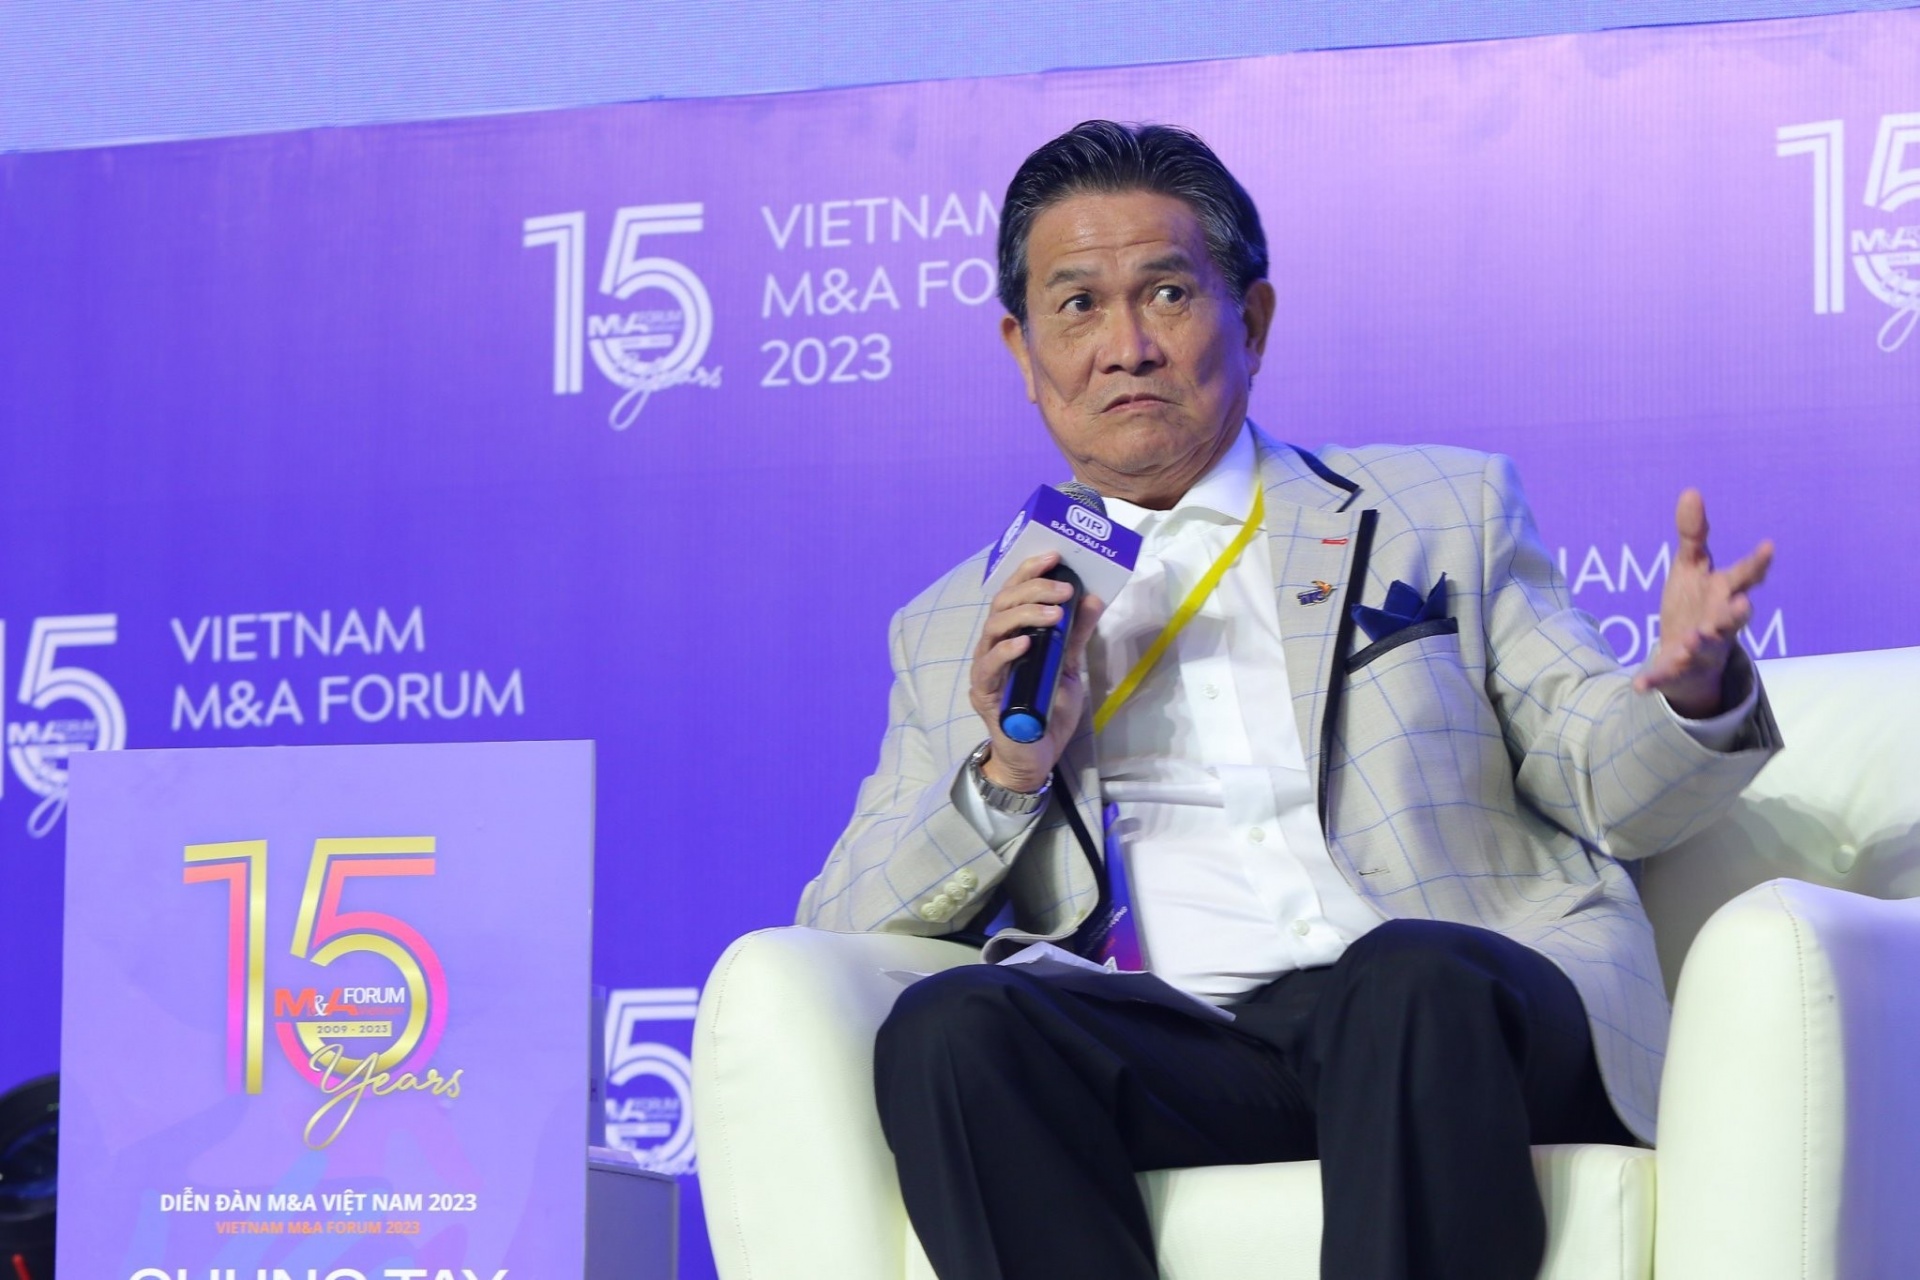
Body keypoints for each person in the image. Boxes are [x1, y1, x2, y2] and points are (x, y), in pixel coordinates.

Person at [797, 120, 1781, 1280]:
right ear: (1022, 347)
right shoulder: (961, 621)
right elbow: (843, 919)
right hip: (1193, 1042)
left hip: (1456, 1008)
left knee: (1405, 978)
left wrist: (1691, 691)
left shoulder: (1437, 510)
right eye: (1078, 306)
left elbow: (1602, 778)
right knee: (951, 1029)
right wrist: (1010, 771)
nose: (1125, 348)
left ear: (1252, 321)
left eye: (1168, 294)